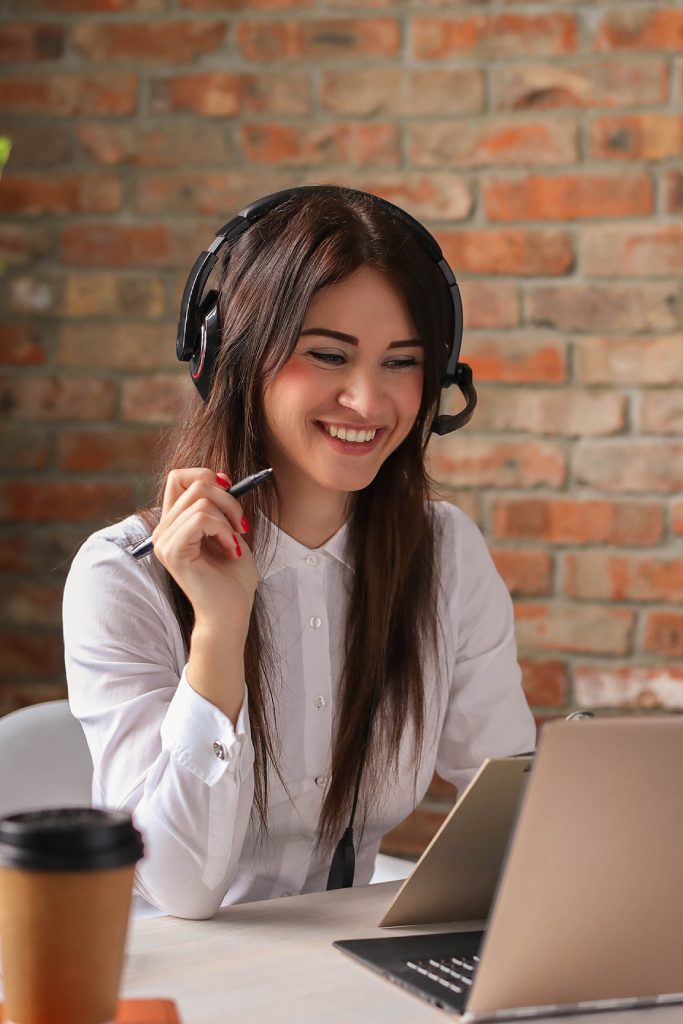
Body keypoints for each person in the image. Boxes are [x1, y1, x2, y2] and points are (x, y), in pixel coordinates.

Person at [63, 187, 536, 920]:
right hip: (164, 976)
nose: (368, 401)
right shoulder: (121, 577)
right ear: (230, 355)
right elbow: (180, 890)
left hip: (337, 973)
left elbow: (515, 806)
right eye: (327, 355)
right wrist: (220, 631)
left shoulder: (442, 554)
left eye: (400, 362)